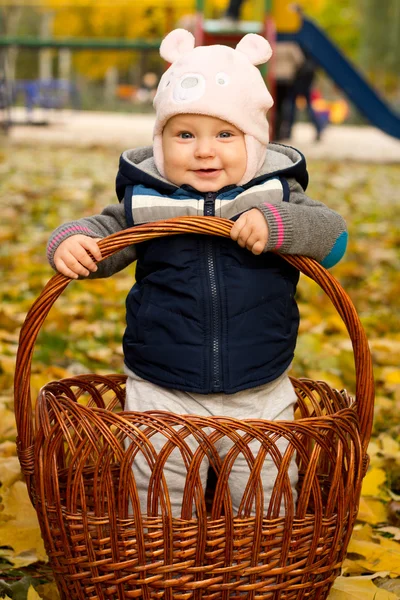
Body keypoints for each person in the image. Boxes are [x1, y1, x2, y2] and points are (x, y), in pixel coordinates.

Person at [46, 29, 348, 518]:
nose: (205, 151)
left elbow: (334, 239)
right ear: (161, 140)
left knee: (267, 498)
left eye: (225, 135)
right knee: (154, 498)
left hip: (260, 387)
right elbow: (105, 234)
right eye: (185, 134)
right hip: (160, 385)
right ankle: (160, 572)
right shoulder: (148, 198)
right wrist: (74, 241)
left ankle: (261, 573)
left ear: (253, 140)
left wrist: (279, 226)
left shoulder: (277, 195)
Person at [273, 41, 305, 141]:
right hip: (287, 78)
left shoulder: (273, 44)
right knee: (286, 105)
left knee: (275, 106)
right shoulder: (291, 45)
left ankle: (275, 131)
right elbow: (300, 61)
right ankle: (284, 131)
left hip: (274, 78)